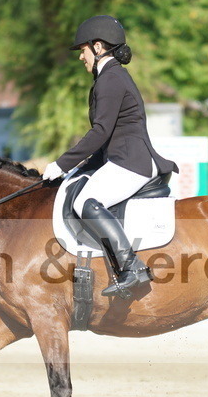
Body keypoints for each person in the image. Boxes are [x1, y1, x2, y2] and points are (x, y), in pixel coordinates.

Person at [41, 15, 178, 298]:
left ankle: (131, 267)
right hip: (123, 159)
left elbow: (101, 132)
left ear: (98, 46)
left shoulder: (111, 79)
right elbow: (106, 138)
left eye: (83, 49)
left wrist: (61, 164)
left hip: (131, 162)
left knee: (86, 202)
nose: (80, 56)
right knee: (80, 190)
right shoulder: (110, 77)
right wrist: (76, 170)